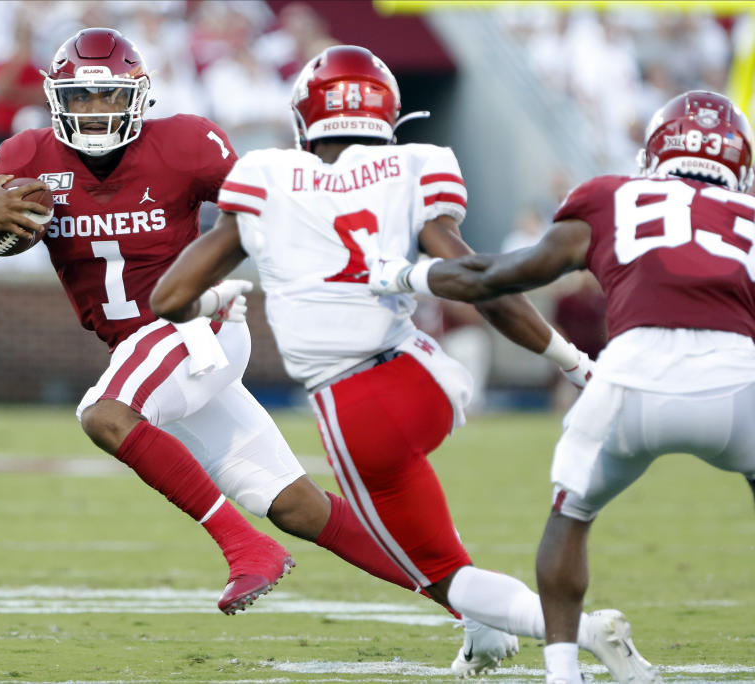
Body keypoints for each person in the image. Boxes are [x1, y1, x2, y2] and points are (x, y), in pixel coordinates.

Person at [150, 44, 654, 681]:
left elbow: (167, 298)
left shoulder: (264, 177)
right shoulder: (415, 166)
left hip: (355, 405)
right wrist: (577, 365)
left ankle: (584, 631)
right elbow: (480, 283)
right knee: (434, 540)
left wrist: (214, 296)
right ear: (387, 118)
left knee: (439, 574)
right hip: (428, 377)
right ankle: (483, 637)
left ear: (307, 121)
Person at [0, 27, 469, 621]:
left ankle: (245, 547)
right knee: (296, 506)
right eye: (81, 96)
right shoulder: (25, 159)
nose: (94, 110)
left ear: (138, 96)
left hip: (197, 324)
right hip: (144, 352)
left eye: (108, 96)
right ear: (58, 98)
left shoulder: (186, 143)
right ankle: (467, 599)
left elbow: (268, 208)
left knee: (105, 415)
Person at [363, 89, 755, 683]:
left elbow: (501, 273)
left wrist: (405, 273)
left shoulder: (611, 197)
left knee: (570, 512)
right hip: (738, 383)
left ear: (654, 152)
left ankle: (563, 672)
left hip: (631, 377)